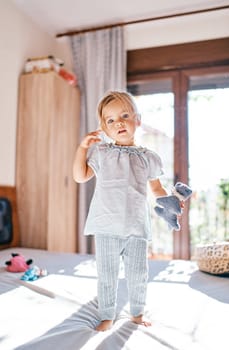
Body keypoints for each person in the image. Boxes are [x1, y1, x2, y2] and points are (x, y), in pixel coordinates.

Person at [73, 90, 169, 332]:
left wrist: (173, 201)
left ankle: (137, 312)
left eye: (125, 115)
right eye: (111, 120)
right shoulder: (101, 153)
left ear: (138, 119)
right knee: (107, 275)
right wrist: (82, 148)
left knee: (138, 274)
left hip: (136, 226)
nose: (119, 123)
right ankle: (107, 314)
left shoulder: (149, 158)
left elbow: (157, 188)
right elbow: (80, 176)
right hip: (106, 226)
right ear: (104, 128)